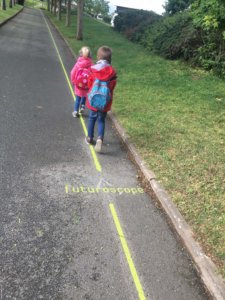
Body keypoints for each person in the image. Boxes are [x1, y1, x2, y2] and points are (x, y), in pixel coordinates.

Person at [85, 46, 117, 153]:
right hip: (105, 103)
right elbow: (112, 87)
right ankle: (100, 138)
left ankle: (89, 138)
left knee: (92, 119)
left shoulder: (93, 69)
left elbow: (90, 84)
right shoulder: (112, 72)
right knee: (101, 120)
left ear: (98, 57)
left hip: (93, 101)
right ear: (109, 59)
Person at [70, 46, 93, 117]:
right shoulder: (91, 64)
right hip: (86, 85)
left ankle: (76, 111)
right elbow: (93, 74)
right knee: (84, 95)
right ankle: (82, 106)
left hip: (78, 84)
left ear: (80, 54)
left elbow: (72, 72)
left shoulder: (78, 64)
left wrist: (73, 81)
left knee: (78, 98)